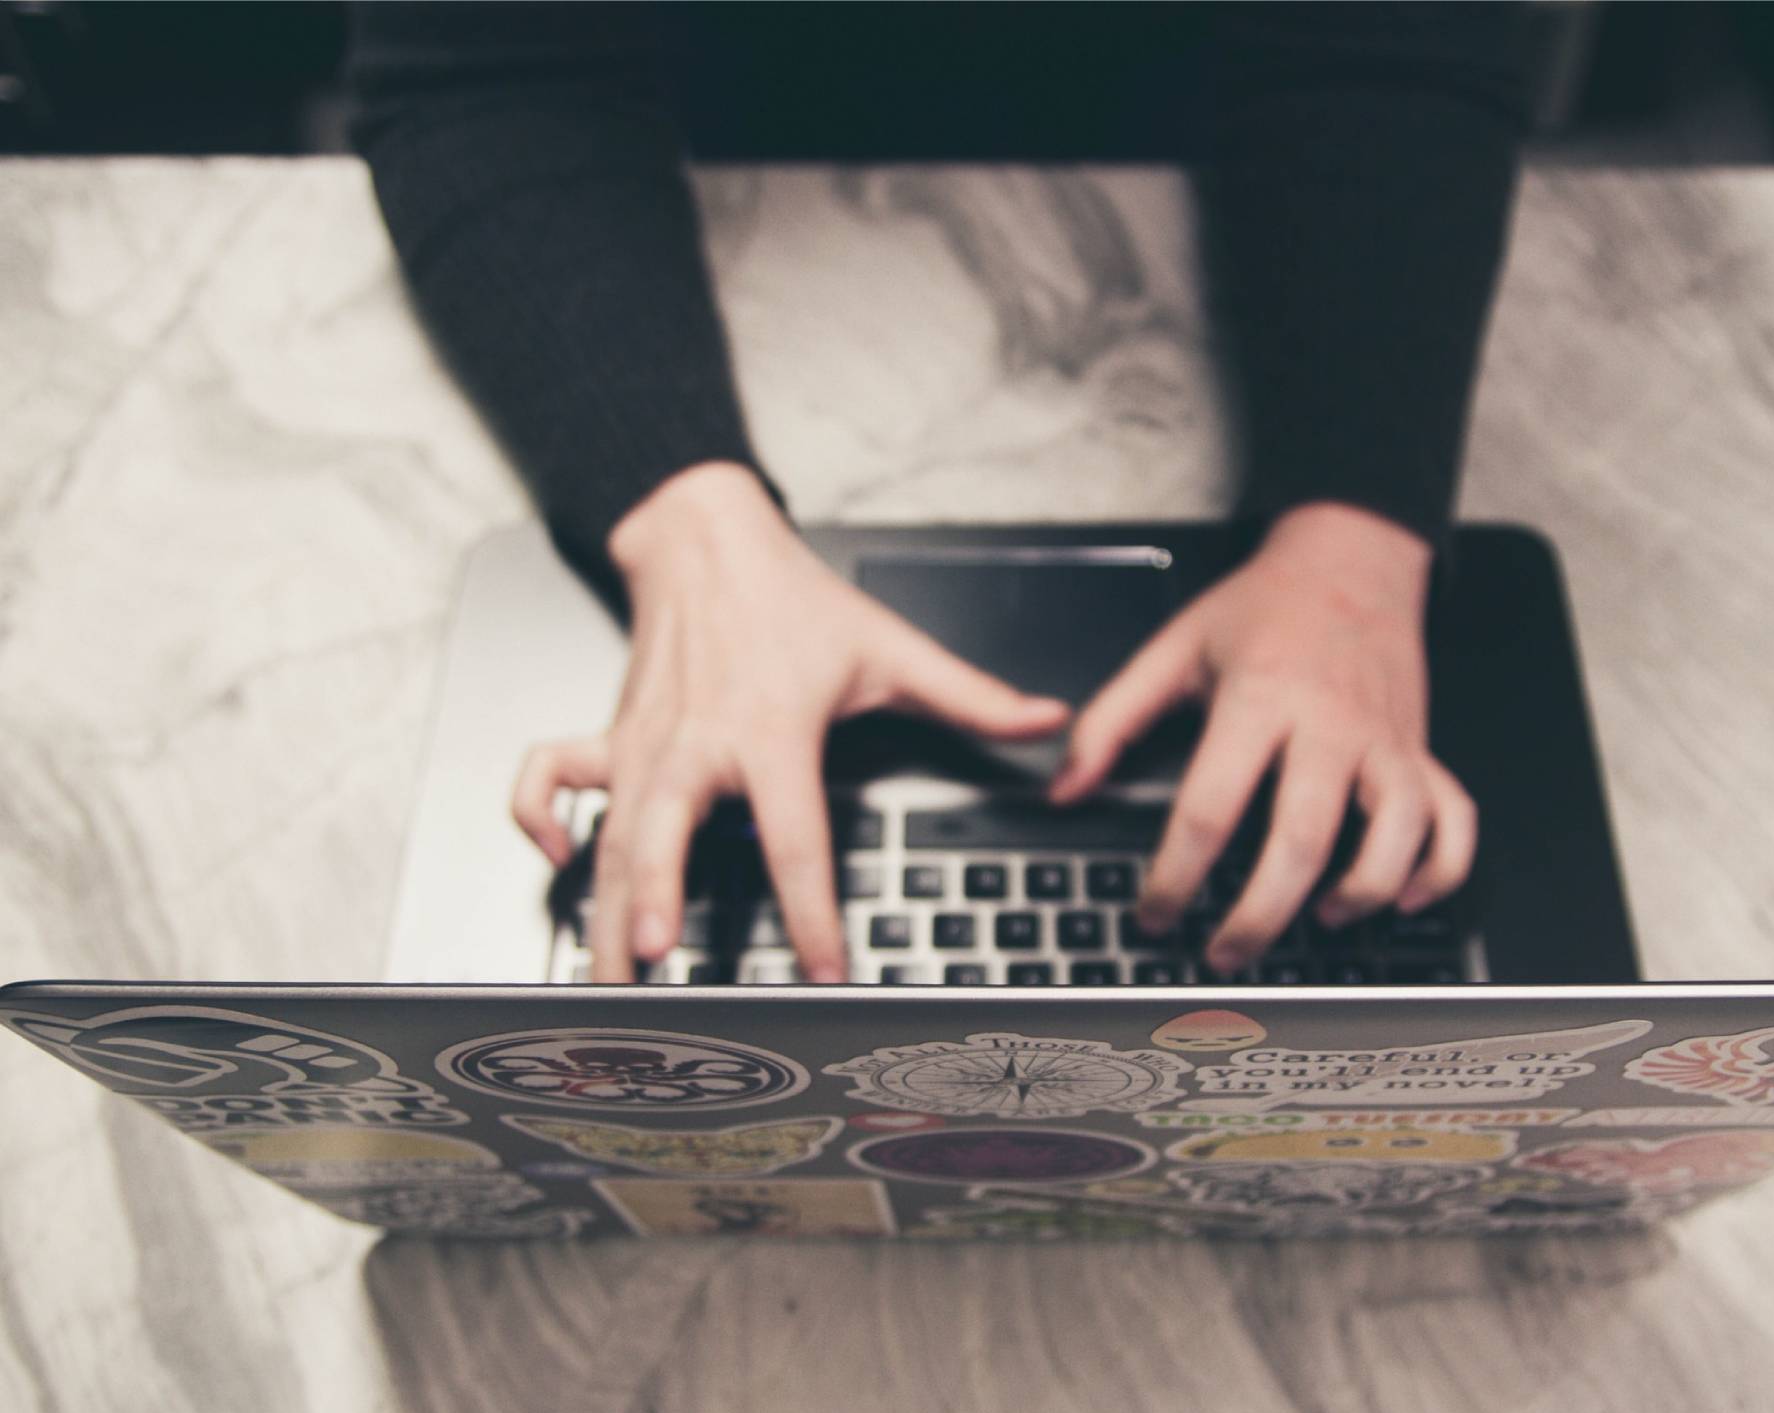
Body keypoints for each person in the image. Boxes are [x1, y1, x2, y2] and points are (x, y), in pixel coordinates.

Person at [348, 2, 1531, 984]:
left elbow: (1394, 45)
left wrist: (1355, 536)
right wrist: (686, 528)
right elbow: (486, 70)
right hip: (676, 152)